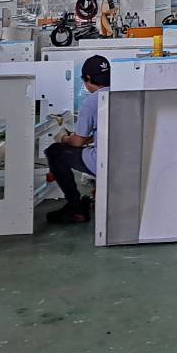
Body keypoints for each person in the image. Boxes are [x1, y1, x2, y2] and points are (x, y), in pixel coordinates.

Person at [44, 54, 110, 225]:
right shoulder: (122, 94)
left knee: (54, 152)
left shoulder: (92, 101)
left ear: (87, 78)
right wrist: (85, 139)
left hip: (103, 161)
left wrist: (64, 138)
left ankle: (75, 208)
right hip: (126, 160)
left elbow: (78, 142)